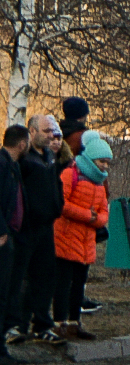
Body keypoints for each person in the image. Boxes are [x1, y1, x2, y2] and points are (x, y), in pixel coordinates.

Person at [7, 115, 65, 347]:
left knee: (45, 277)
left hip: (46, 227)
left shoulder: (49, 157)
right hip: (25, 228)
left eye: (53, 130)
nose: (52, 135)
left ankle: (42, 324)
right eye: (46, 130)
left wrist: (56, 206)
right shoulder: (23, 159)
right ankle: (14, 325)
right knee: (18, 277)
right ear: (32, 131)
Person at [52, 130, 110, 341]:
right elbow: (62, 204)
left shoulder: (99, 182)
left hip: (86, 241)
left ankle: (75, 323)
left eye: (107, 162)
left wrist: (96, 220)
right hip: (66, 237)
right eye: (102, 161)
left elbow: (104, 212)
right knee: (63, 282)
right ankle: (59, 324)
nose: (105, 166)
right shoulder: (70, 174)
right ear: (91, 158)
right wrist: (88, 216)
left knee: (79, 284)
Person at [0, 125, 24, 365]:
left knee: (7, 293)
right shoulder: (2, 164)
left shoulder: (12, 166)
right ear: (22, 144)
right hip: (3, 237)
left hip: (12, 235)